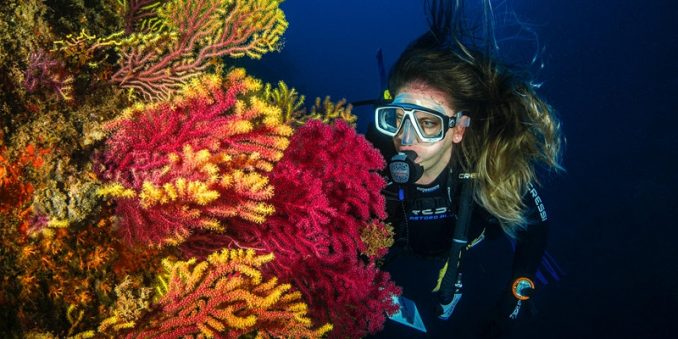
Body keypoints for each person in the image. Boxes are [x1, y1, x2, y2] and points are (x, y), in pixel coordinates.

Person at [365, 1, 564, 338]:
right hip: (397, 247)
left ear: (458, 130)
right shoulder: (371, 156)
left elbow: (536, 226)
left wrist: (516, 291)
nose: (405, 139)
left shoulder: (485, 166)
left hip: (469, 243)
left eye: (428, 123)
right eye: (397, 119)